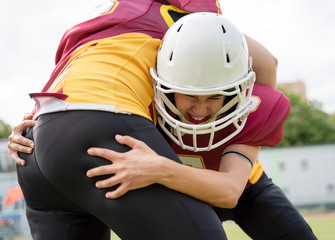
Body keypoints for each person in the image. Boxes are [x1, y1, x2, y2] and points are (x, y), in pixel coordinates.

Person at [9, 12, 317, 240]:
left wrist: (161, 169)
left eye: (215, 97)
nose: (200, 109)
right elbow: (82, 88)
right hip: (175, 189)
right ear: (163, 85)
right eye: (189, 95)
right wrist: (35, 119)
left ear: (237, 92)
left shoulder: (255, 105)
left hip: (243, 190)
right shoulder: (139, 97)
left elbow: (230, 191)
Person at [8, 2, 232, 240]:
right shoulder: (180, 14)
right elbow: (261, 60)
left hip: (35, 143)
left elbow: (79, 74)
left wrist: (40, 122)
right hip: (100, 125)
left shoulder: (102, 15)